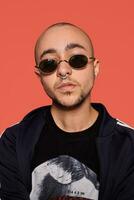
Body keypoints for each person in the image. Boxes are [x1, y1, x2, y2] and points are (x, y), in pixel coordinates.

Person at [0, 22, 134, 200]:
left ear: (95, 68)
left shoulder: (129, 146)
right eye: (49, 63)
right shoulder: (14, 141)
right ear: (40, 75)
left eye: (77, 59)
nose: (63, 71)